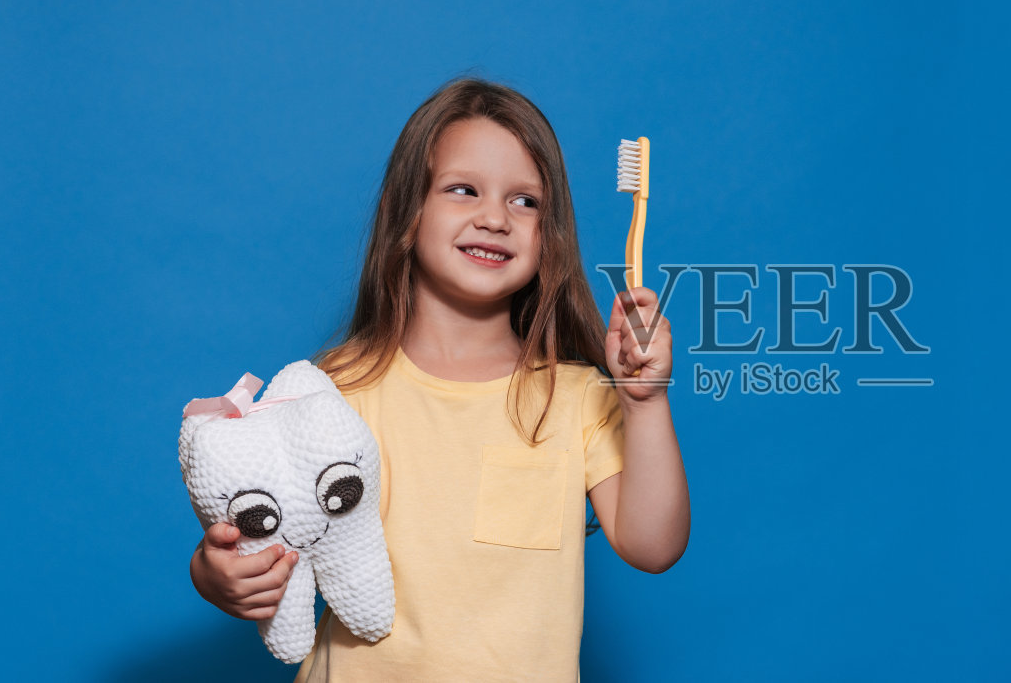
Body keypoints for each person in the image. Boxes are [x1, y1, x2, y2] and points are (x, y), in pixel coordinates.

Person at [187, 77, 691, 681]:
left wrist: (644, 403)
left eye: (524, 201)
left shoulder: (577, 398)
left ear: (549, 236)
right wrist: (215, 574)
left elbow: (654, 546)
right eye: (464, 190)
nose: (495, 217)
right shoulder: (333, 389)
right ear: (408, 211)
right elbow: (264, 532)